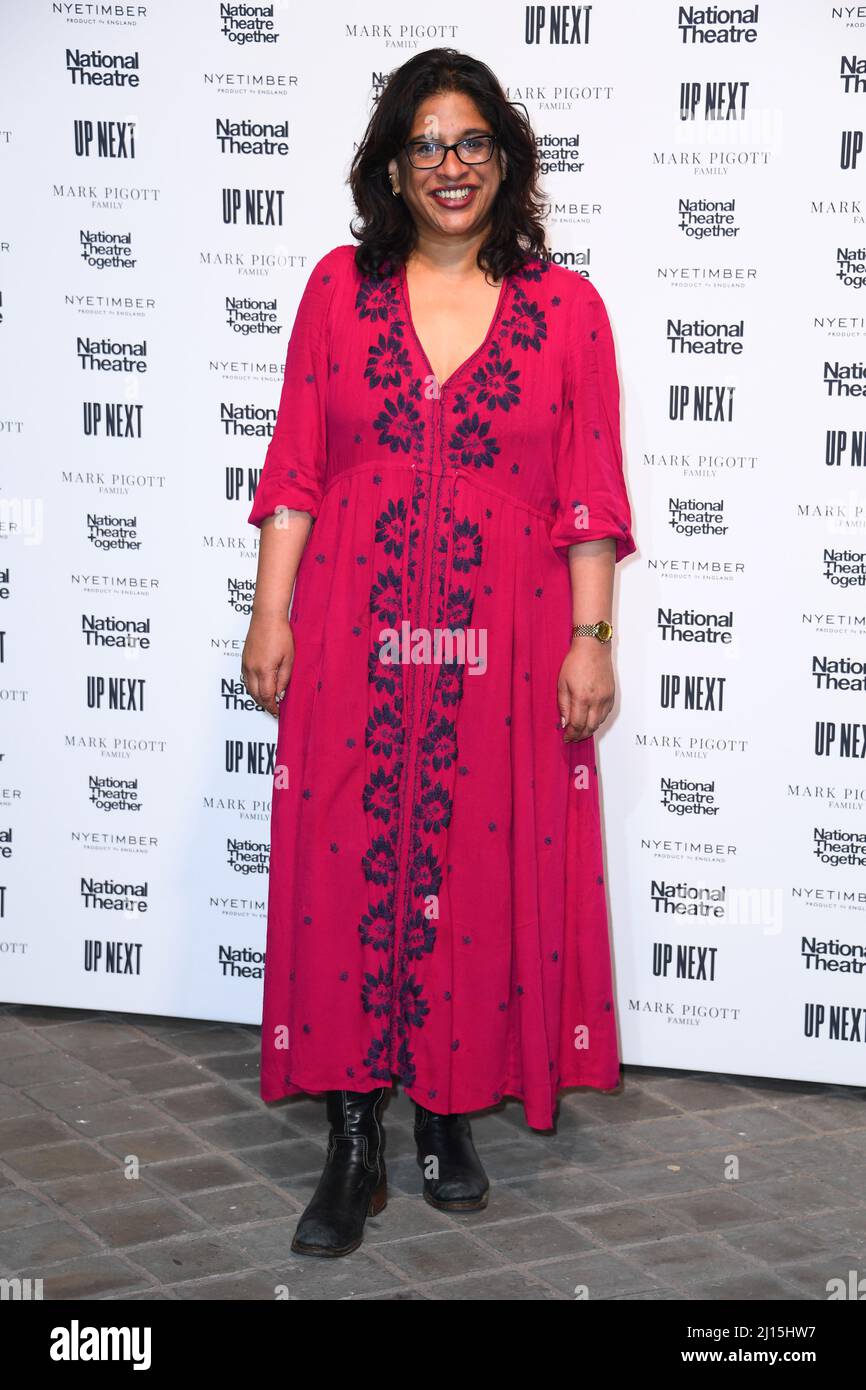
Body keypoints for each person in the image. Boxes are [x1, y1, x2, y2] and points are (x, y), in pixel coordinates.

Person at [241, 47, 636, 1259]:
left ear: (504, 162)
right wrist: (271, 611)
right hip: (354, 629)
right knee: (349, 858)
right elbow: (296, 472)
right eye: (426, 144)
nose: (449, 166)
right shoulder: (335, 290)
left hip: (502, 648)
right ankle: (353, 1131)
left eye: (471, 143)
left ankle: (447, 1115)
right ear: (391, 168)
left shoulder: (566, 311)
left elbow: (585, 497)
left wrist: (588, 637)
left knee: (471, 864)